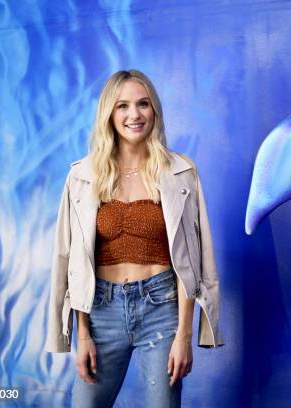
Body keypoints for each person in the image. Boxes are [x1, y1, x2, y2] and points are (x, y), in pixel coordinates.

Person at [45, 69, 224, 408]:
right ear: (109, 115)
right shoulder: (82, 176)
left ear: (154, 111)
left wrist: (184, 334)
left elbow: (193, 259)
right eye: (122, 106)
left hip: (161, 308)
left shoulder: (180, 171)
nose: (134, 114)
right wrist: (81, 333)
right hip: (100, 311)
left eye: (143, 104)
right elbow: (70, 259)